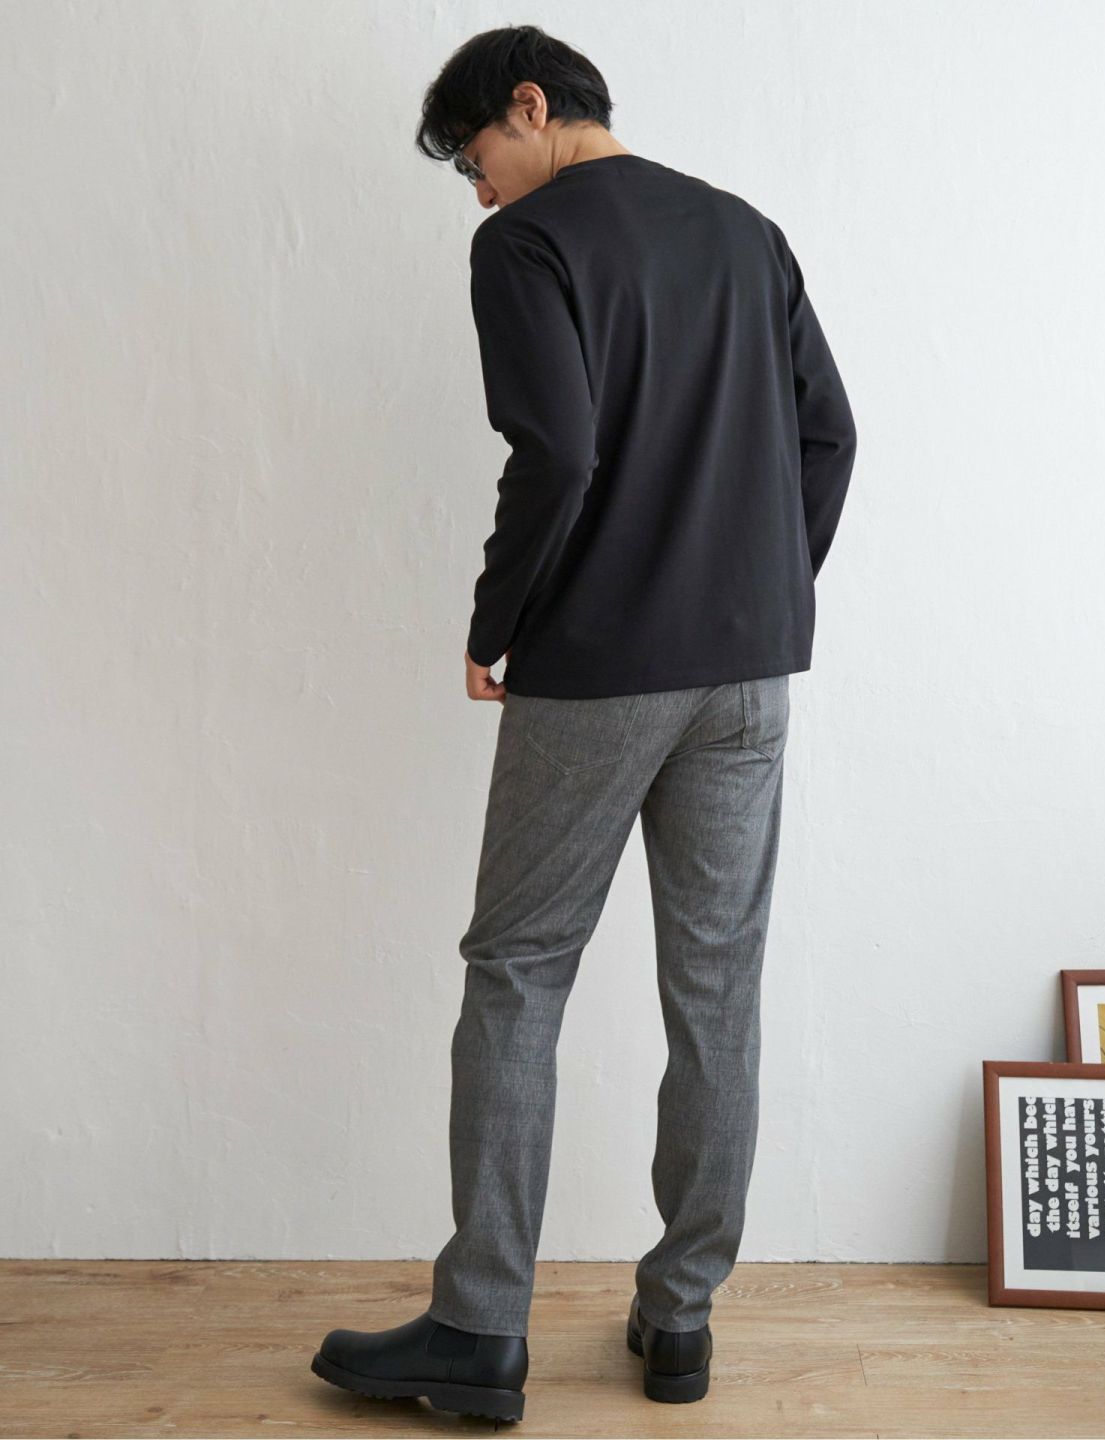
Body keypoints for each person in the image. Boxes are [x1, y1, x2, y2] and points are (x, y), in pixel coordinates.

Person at [312, 23, 857, 1424]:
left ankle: (479, 1329)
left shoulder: (527, 244)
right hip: (749, 676)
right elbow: (830, 434)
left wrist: (496, 619)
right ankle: (680, 1324)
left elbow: (556, 451)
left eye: (474, 158)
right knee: (717, 986)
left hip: (603, 665)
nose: (479, 189)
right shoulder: (744, 231)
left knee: (517, 971)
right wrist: (763, 591)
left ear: (530, 105)